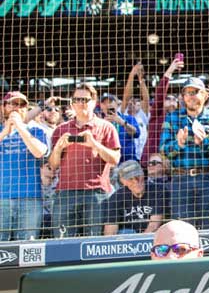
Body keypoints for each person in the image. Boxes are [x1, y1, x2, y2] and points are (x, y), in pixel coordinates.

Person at [49, 83, 121, 236]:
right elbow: (53, 165)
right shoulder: (60, 129)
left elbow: (115, 159)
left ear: (94, 102)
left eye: (85, 99)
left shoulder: (106, 127)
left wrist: (95, 145)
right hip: (65, 192)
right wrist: (59, 148)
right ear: (72, 103)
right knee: (62, 242)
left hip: (96, 192)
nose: (81, 103)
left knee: (94, 243)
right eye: (77, 99)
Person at [159, 78, 209, 230]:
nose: (191, 96)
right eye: (187, 93)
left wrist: (203, 142)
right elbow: (163, 150)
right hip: (180, 178)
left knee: (208, 225)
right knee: (182, 227)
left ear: (205, 95)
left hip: (208, 178)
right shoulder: (172, 117)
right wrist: (179, 144)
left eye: (195, 92)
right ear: (183, 97)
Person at [0, 92, 48, 241]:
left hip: (30, 197)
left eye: (22, 105)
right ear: (4, 107)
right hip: (2, 198)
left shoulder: (37, 130)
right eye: (13, 104)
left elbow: (40, 152)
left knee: (28, 244)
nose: (17, 108)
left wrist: (21, 128)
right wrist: (4, 132)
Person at [102, 160, 167, 235]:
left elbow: (154, 225)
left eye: (137, 176)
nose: (136, 181)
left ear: (143, 174)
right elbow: (110, 231)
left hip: (151, 237)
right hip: (127, 239)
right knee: (126, 232)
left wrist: (139, 243)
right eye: (130, 179)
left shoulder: (157, 191)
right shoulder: (116, 197)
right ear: (123, 181)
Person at [98, 93, 142, 164]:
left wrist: (122, 122)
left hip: (128, 161)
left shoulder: (128, 118)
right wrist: (103, 125)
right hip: (108, 162)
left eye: (110, 102)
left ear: (117, 104)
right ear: (101, 107)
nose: (108, 105)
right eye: (104, 103)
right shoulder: (99, 123)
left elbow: (137, 134)